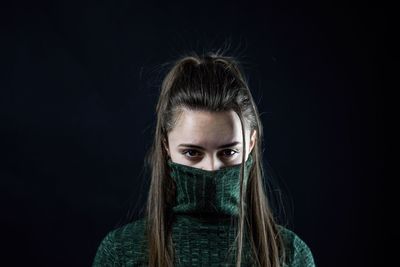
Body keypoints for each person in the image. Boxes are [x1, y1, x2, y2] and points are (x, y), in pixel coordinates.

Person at [92, 51, 316, 266]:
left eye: (228, 152)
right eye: (192, 153)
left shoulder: (290, 255)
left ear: (251, 144)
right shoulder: (120, 253)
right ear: (166, 147)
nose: (211, 168)